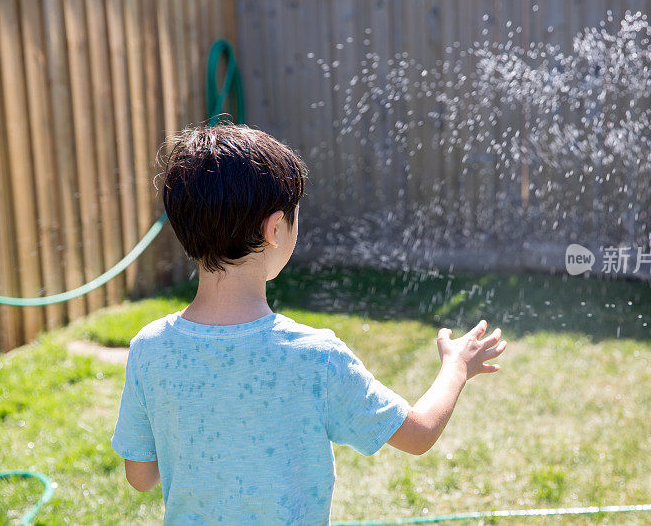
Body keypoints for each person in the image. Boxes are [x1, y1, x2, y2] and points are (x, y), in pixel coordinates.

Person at [110, 123, 507, 524]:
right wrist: (457, 366)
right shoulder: (315, 357)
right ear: (274, 229)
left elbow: (140, 476)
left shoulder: (151, 347)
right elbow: (419, 435)